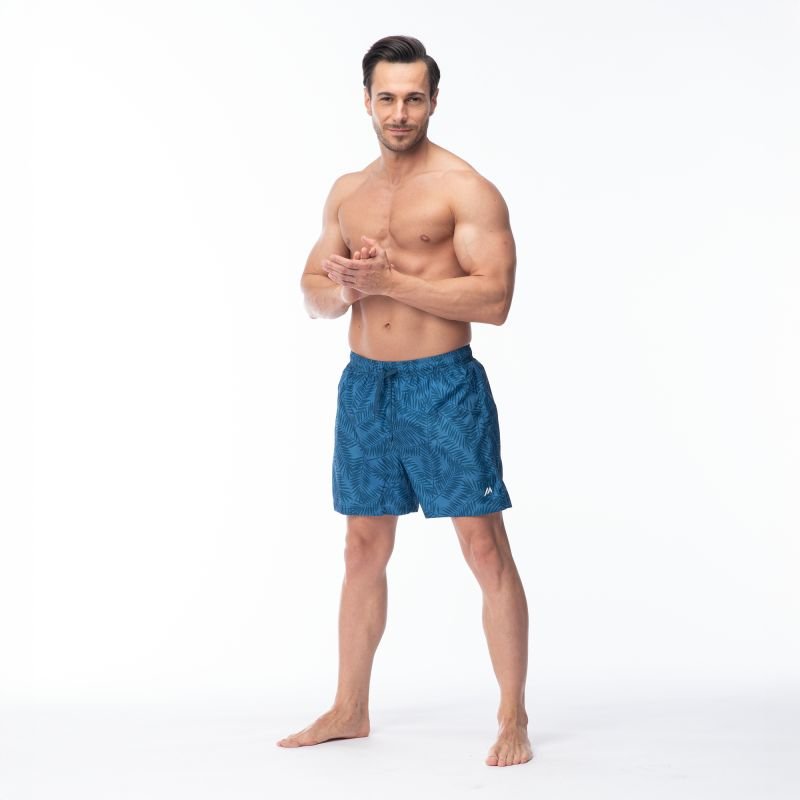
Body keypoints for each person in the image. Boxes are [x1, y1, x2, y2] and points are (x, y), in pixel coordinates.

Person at [277, 35, 532, 768]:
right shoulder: (346, 192)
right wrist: (346, 287)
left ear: (433, 101)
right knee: (362, 547)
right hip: (366, 386)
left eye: (413, 98)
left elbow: (495, 300)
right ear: (366, 100)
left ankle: (512, 715)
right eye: (386, 98)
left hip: (442, 384)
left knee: (483, 546)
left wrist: (393, 283)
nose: (399, 112)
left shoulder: (466, 188)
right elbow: (312, 295)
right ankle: (349, 707)